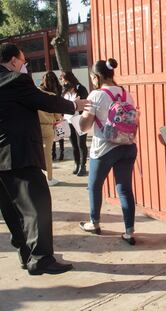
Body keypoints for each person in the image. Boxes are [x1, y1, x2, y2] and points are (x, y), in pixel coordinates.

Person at [0, 43, 88, 275]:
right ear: (13, 62)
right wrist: (73, 105)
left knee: (12, 210)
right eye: (23, 60)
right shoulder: (15, 80)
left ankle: (25, 254)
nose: (25, 65)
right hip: (18, 155)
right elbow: (43, 100)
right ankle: (41, 258)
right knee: (38, 206)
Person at [78, 58, 138, 245]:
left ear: (96, 77)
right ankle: (129, 231)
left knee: (95, 186)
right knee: (125, 189)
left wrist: (77, 118)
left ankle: (94, 223)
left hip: (104, 149)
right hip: (128, 146)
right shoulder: (126, 93)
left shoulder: (96, 95)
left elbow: (84, 125)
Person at [60, 71, 89, 176]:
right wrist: (64, 91)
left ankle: (83, 165)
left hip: (79, 119)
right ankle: (76, 164)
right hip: (68, 120)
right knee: (74, 145)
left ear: (69, 79)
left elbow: (85, 103)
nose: (63, 83)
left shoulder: (80, 88)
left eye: (63, 80)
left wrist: (75, 91)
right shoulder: (65, 90)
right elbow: (61, 103)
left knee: (81, 144)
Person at [38, 71, 63, 186]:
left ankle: (38, 178)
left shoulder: (36, 92)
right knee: (47, 154)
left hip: (35, 127)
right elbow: (58, 116)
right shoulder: (52, 96)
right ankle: (49, 178)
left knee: (36, 153)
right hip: (48, 127)